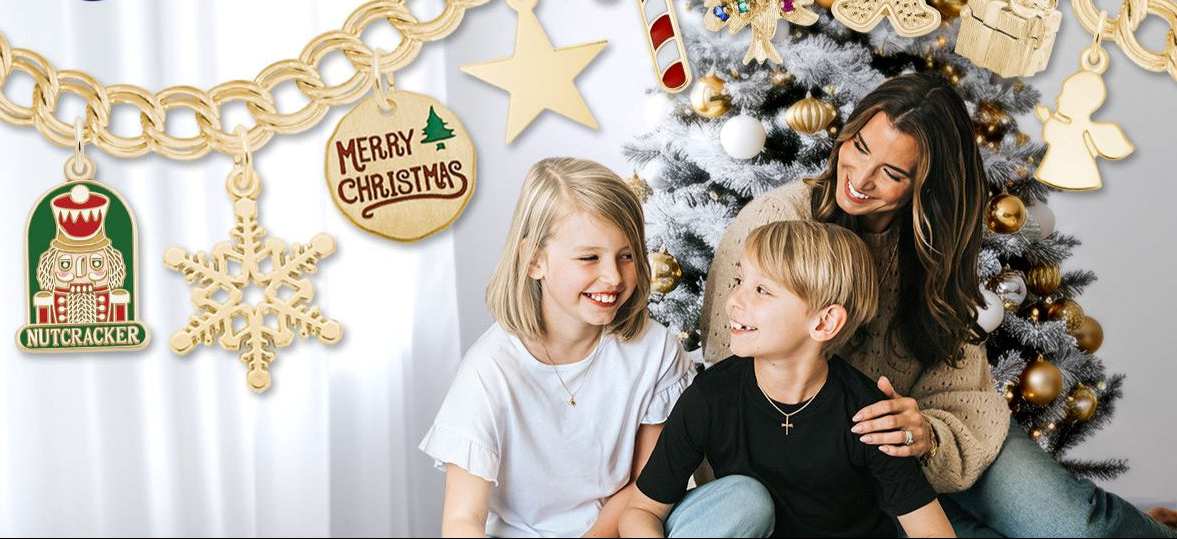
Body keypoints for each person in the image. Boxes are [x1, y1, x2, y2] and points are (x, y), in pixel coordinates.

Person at [701, 72, 1177, 537]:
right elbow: (731, 371)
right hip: (836, 463)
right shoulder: (774, 222)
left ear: (923, 184)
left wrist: (926, 434)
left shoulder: (935, 245)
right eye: (860, 147)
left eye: (892, 173)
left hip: (947, 432)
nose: (860, 179)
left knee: (1077, 525)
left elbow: (960, 386)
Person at [620, 220, 955, 538]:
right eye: (739, 281)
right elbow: (641, 510)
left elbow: (932, 530)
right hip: (750, 518)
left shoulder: (869, 416)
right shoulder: (710, 398)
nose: (733, 300)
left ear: (824, 323)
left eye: (761, 290)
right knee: (744, 499)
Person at [419, 157, 694, 537]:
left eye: (626, 255)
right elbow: (462, 520)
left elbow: (645, 489)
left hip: (621, 529)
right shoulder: (490, 368)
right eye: (589, 258)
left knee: (736, 500)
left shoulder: (654, 349)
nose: (613, 276)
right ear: (534, 261)